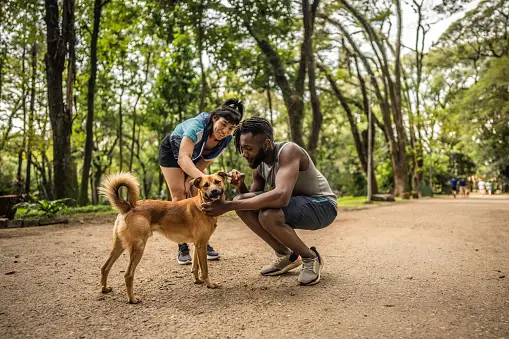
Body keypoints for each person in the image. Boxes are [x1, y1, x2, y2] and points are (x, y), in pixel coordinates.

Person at [201, 117, 338, 286]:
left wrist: (227, 205)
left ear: (266, 144)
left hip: (323, 206)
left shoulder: (289, 151)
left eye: (248, 148)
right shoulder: (259, 165)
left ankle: (311, 257)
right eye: (242, 149)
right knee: (242, 203)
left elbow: (281, 197)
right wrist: (240, 187)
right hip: (298, 204)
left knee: (268, 215)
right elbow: (250, 205)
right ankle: (287, 255)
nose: (244, 154)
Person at [159, 99, 244, 265]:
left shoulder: (225, 140)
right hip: (173, 152)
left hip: (195, 159)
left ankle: (201, 239)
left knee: (196, 195)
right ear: (214, 118)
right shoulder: (197, 126)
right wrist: (203, 179)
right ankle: (182, 247)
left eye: (231, 128)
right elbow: (184, 158)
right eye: (223, 124)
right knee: (179, 194)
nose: (225, 130)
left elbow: (203, 162)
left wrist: (194, 180)